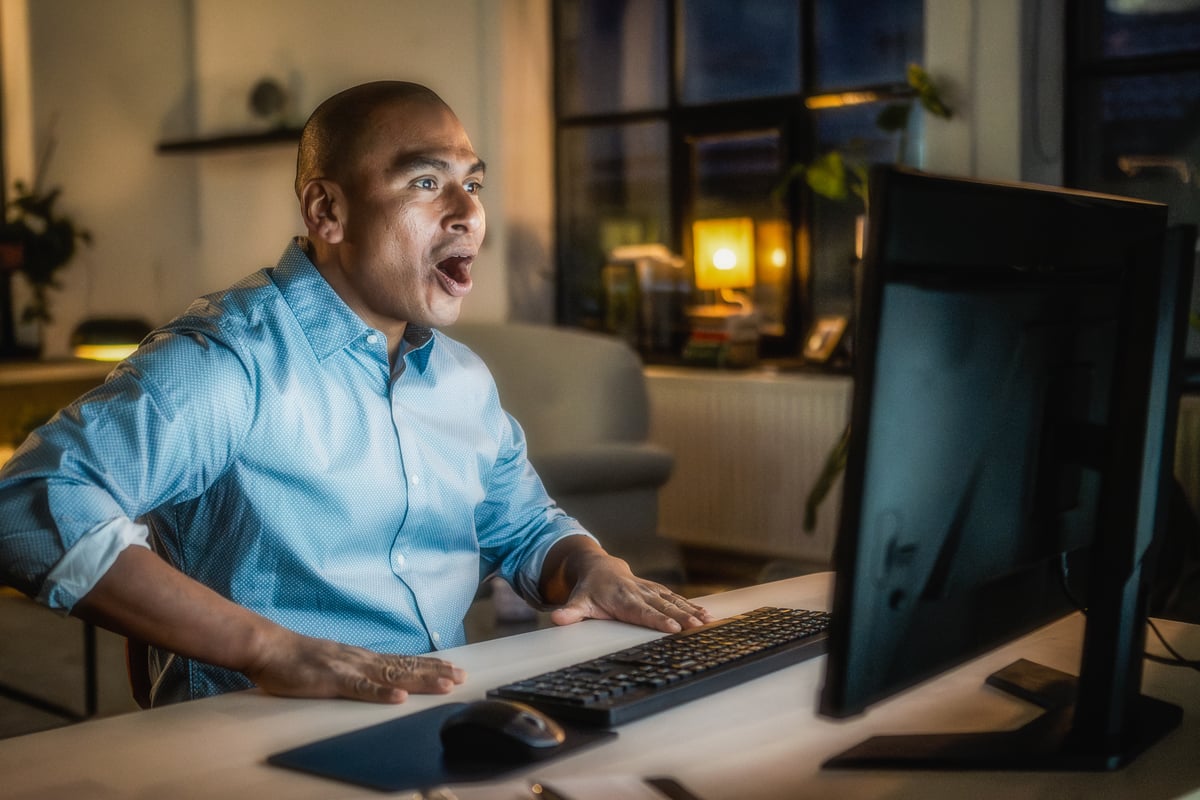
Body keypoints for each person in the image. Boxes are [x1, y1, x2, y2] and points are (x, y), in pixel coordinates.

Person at [0, 81, 713, 706]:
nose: (469, 212)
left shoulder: (463, 380)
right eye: (428, 183)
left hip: (440, 721)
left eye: (475, 183)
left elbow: (523, 526)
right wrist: (270, 649)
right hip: (254, 747)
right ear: (327, 211)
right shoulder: (231, 362)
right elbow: (29, 507)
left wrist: (592, 567)